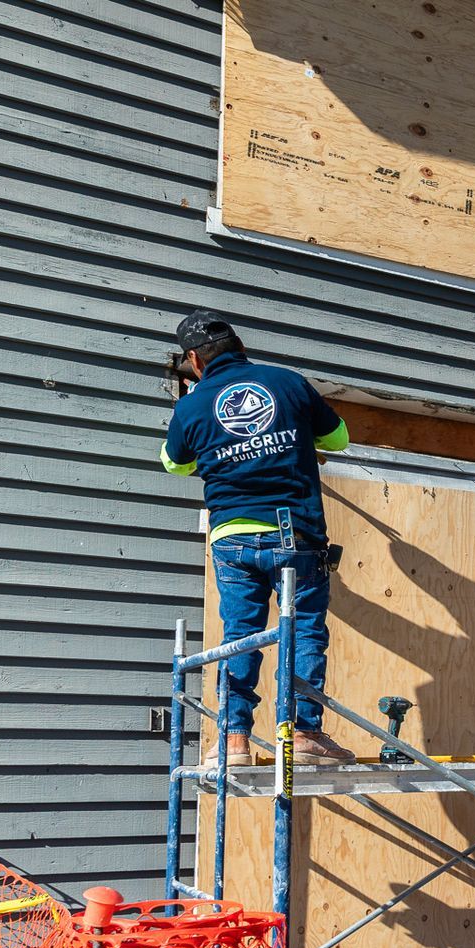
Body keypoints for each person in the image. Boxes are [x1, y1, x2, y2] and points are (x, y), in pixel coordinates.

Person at [162, 310, 356, 767]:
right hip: (295, 531)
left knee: (241, 636)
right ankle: (305, 734)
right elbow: (341, 439)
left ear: (194, 360)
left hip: (232, 537)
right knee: (304, 630)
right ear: (240, 346)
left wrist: (217, 453)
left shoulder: (190, 406)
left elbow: (174, 463)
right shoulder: (288, 383)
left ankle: (233, 743)